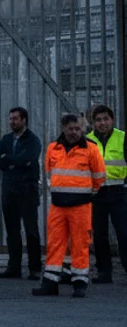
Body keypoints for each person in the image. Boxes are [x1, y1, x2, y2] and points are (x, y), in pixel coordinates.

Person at [34, 113, 106, 298]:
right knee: (54, 244)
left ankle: (79, 283)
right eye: (70, 129)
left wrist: (85, 192)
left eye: (77, 129)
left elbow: (99, 176)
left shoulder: (90, 149)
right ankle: (50, 282)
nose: (74, 132)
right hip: (58, 206)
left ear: (82, 129)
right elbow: (49, 172)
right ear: (63, 129)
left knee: (80, 244)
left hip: (80, 206)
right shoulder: (53, 148)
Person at [0, 106, 42, 280]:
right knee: (12, 231)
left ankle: (35, 268)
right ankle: (14, 267)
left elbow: (27, 159)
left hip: (27, 190)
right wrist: (14, 162)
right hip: (9, 190)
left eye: (15, 119)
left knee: (31, 230)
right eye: (10, 118)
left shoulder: (33, 140)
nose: (12, 122)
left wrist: (8, 159)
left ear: (24, 120)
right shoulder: (6, 139)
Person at [86, 105, 127, 284]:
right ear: (93, 122)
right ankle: (104, 273)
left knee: (124, 233)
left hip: (119, 192)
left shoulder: (122, 137)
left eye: (105, 119)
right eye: (98, 120)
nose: (102, 123)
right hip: (97, 194)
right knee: (100, 235)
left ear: (112, 120)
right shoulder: (88, 140)